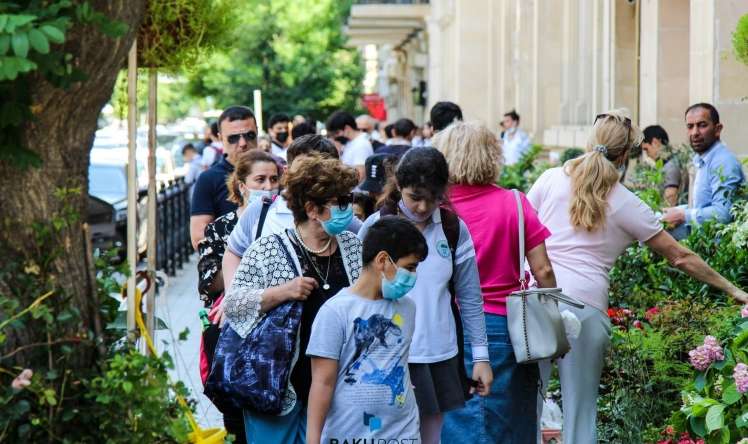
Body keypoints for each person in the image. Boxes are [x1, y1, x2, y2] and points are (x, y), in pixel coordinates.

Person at [526, 110, 748, 443]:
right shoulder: (626, 203)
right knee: (580, 413)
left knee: (527, 408)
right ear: (625, 154)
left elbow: (520, 232)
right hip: (586, 307)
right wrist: (734, 289)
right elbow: (681, 256)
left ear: (590, 141)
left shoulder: (549, 179)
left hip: (539, 300)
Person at [222, 154, 362, 444]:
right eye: (340, 202)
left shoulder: (353, 246)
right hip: (276, 386)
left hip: (337, 392)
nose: (348, 210)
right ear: (311, 208)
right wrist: (282, 292)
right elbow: (234, 305)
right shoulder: (267, 249)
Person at [359, 147, 492, 444]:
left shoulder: (452, 229)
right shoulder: (375, 227)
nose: (422, 207)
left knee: (430, 437)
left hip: (436, 354)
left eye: (432, 198)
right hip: (384, 358)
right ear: (399, 187)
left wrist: (481, 357)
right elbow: (357, 294)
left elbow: (470, 297)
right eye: (414, 197)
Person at [434, 121, 556, 443]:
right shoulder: (514, 203)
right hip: (508, 327)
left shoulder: (438, 209)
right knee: (512, 421)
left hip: (450, 324)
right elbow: (542, 269)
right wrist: (554, 316)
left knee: (457, 422)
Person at [306, 216, 428, 444]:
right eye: (409, 267)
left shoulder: (407, 308)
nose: (413, 276)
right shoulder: (335, 312)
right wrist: (313, 440)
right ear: (383, 260)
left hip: (403, 434)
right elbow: (322, 383)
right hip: (347, 436)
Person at [196, 149, 280, 443]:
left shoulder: (283, 223)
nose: (268, 186)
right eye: (260, 179)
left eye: (273, 179)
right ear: (242, 185)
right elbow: (208, 284)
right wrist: (238, 251)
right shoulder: (221, 227)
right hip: (230, 329)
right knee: (235, 414)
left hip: (273, 329)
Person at [221, 135, 362, 294]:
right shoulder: (263, 210)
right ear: (287, 172)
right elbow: (233, 252)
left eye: (326, 168)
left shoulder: (342, 219)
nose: (317, 176)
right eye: (306, 168)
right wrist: (231, 292)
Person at [662, 103, 745, 239]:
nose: (695, 132)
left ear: (717, 129)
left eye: (702, 125)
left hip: (721, 253)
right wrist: (677, 211)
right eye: (690, 126)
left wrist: (682, 215)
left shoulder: (724, 162)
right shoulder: (702, 159)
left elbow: (723, 213)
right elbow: (703, 206)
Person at [190, 105, 257, 250]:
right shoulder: (209, 178)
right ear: (220, 138)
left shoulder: (275, 170)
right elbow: (199, 238)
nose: (243, 143)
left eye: (249, 135)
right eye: (233, 138)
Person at [640, 125, 686, 206]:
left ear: (655, 142)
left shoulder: (671, 167)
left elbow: (669, 203)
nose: (647, 155)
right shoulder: (669, 164)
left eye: (646, 149)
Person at [326, 110, 373, 182]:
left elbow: (360, 175)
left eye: (337, 132)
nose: (335, 136)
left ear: (347, 128)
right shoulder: (350, 143)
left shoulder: (361, 144)